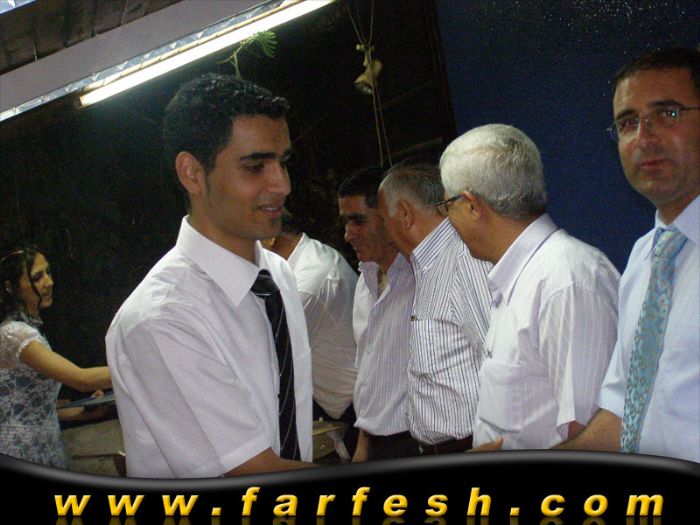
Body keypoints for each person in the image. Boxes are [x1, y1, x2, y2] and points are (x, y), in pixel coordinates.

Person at [105, 73, 315, 478]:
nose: (282, 185)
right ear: (192, 174)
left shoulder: (276, 276)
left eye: (283, 162)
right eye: (255, 167)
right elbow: (253, 472)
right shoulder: (161, 319)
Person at [557, 48, 700, 462]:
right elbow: (624, 413)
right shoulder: (643, 259)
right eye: (628, 122)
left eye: (668, 114)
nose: (645, 137)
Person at [440, 124, 620, 449]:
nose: (447, 218)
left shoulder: (566, 280)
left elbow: (594, 439)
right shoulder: (523, 275)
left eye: (446, 206)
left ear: (471, 205)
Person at [377, 162, 492, 454]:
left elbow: (501, 361)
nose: (384, 232)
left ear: (405, 215)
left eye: (383, 220)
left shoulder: (464, 261)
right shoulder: (429, 266)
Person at [0, 243, 112, 468]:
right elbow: (82, 379)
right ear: (10, 287)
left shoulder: (28, 330)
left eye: (48, 272)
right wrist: (139, 367)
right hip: (19, 450)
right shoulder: (14, 334)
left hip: (46, 447)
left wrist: (84, 412)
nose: (49, 282)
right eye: (37, 277)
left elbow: (38, 409)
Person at [338, 165, 419, 460]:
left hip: (418, 443)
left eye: (358, 221)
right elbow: (369, 371)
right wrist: (363, 444)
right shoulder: (365, 279)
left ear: (390, 216)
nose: (348, 234)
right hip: (376, 444)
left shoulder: (422, 279)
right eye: (345, 222)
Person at [267, 208, 359, 456]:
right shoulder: (306, 258)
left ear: (270, 238)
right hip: (334, 400)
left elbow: (267, 355)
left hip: (353, 408)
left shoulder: (309, 283)